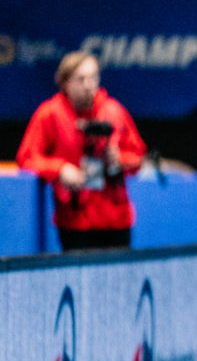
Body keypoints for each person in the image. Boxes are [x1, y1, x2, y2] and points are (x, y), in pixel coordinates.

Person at [17, 51, 146, 251]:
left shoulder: (114, 111)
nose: (88, 85)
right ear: (64, 83)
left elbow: (138, 157)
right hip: (74, 220)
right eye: (80, 79)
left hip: (116, 220)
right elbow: (27, 158)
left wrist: (118, 160)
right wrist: (60, 169)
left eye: (93, 78)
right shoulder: (50, 114)